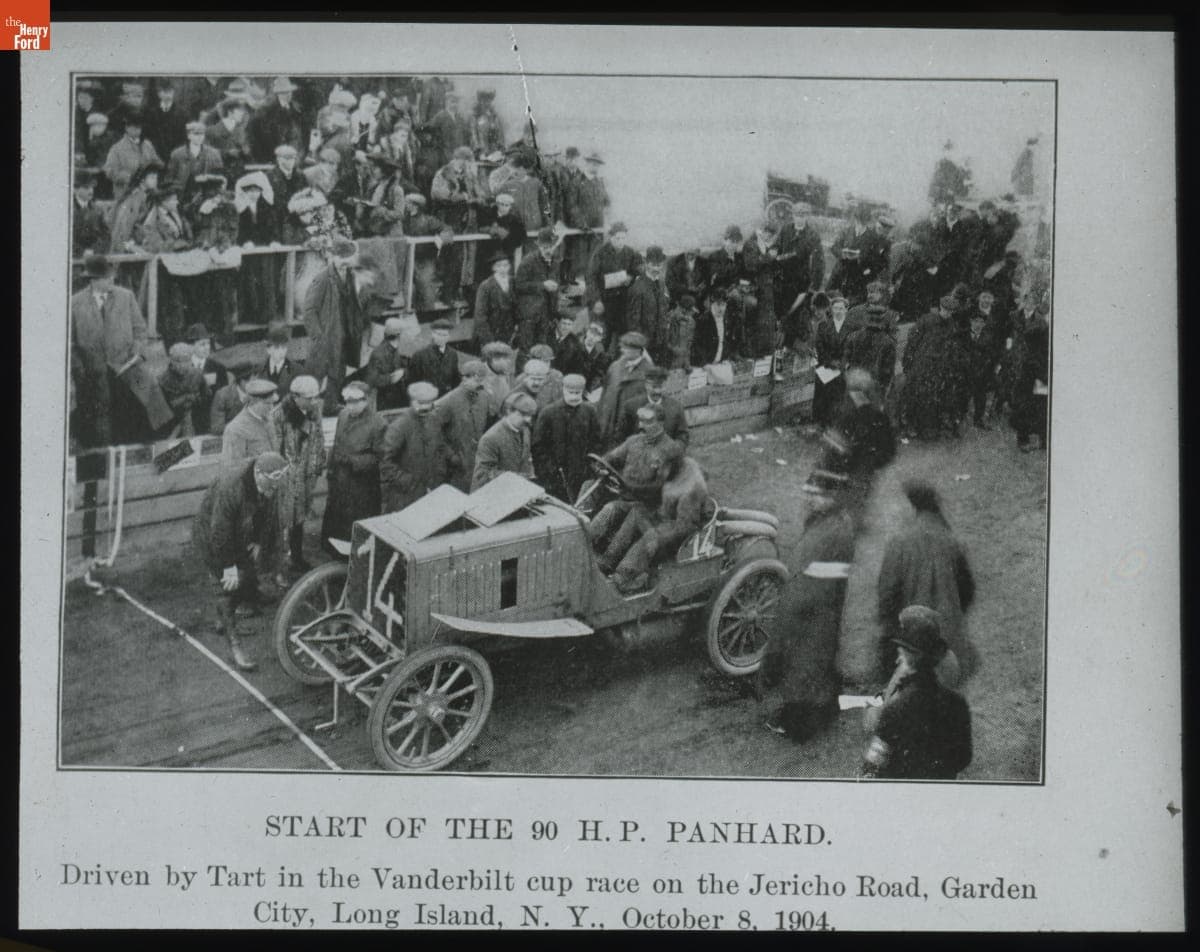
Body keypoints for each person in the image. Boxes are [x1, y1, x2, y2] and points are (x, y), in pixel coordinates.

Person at [759, 469, 858, 742]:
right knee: (814, 667)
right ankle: (821, 711)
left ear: (834, 497)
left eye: (819, 495)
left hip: (812, 612)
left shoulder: (835, 531)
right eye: (809, 492)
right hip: (818, 610)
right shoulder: (833, 521)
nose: (811, 499)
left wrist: (790, 611)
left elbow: (815, 586)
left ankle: (799, 727)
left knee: (805, 670)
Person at [192, 451, 289, 671]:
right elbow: (219, 531)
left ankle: (222, 622)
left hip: (240, 535)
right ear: (257, 474)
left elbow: (265, 509)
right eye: (269, 486)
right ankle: (235, 646)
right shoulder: (231, 487)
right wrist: (228, 567)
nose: (271, 492)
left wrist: (256, 540)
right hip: (212, 537)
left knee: (245, 578)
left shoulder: (269, 482)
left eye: (274, 488)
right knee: (227, 587)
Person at [877, 480, 978, 685]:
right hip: (947, 641)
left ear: (912, 507)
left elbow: (887, 592)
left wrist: (889, 627)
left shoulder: (899, 542)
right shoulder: (952, 541)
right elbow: (967, 590)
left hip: (911, 640)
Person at [70, 254, 172, 447]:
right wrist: (80, 370)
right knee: (99, 427)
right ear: (93, 280)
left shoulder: (126, 297)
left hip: (128, 370)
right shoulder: (75, 304)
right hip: (94, 377)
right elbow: (70, 345)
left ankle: (142, 456)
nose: (112, 280)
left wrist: (137, 353)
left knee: (141, 417)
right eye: (107, 277)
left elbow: (140, 331)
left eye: (112, 276)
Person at [861, 605, 973, 780]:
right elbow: (963, 756)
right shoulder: (957, 702)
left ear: (911, 657)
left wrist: (876, 708)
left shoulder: (896, 710)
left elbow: (873, 763)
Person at [587, 403, 682, 574]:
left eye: (647, 422)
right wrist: (602, 466)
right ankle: (583, 546)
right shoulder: (633, 442)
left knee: (633, 515)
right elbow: (610, 458)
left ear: (660, 423)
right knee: (608, 509)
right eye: (640, 421)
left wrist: (629, 486)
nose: (640, 426)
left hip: (651, 506)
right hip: (626, 498)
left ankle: (607, 562)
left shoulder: (670, 450)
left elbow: (658, 487)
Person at [608, 444, 709, 594]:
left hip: (679, 534)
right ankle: (609, 559)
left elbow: (684, 527)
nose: (657, 470)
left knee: (650, 537)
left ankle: (623, 577)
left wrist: (655, 532)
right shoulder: (679, 468)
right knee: (636, 512)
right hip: (666, 519)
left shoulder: (690, 490)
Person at [302, 238, 372, 414]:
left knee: (338, 372)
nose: (344, 261)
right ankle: (309, 411)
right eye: (341, 257)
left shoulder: (350, 276)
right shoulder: (323, 278)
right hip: (327, 336)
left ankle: (330, 406)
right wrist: (318, 337)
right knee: (316, 374)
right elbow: (309, 310)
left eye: (347, 257)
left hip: (344, 334)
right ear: (332, 256)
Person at [271, 375, 327, 574]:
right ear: (296, 397)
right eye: (310, 398)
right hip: (287, 478)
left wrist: (316, 466)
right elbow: (275, 450)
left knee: (300, 519)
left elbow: (318, 438)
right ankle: (277, 566)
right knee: (282, 521)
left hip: (306, 476)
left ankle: (296, 557)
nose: (314, 401)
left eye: (316, 397)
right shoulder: (278, 415)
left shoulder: (314, 410)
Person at [901, 293, 971, 440]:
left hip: (940, 368)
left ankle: (929, 426)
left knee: (935, 397)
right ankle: (912, 426)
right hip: (922, 365)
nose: (948, 314)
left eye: (951, 311)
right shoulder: (926, 320)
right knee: (917, 395)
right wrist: (908, 363)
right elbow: (913, 341)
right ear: (940, 307)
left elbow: (953, 347)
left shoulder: (952, 326)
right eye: (946, 310)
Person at [379, 382, 456, 511]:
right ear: (412, 402)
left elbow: (440, 445)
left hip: (432, 490)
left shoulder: (434, 420)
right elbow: (385, 462)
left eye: (428, 403)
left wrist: (449, 460)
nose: (425, 407)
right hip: (406, 496)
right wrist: (407, 481)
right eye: (420, 403)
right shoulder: (399, 427)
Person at [531, 373, 602, 503]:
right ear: (563, 389)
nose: (574, 397)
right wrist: (549, 471)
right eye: (571, 392)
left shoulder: (590, 411)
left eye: (577, 393)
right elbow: (538, 447)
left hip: (581, 472)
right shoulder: (548, 413)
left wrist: (590, 466)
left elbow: (596, 441)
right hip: (555, 476)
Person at [436, 360, 499, 492]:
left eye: (482, 381)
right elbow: (433, 432)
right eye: (477, 381)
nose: (481, 385)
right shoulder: (447, 402)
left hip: (478, 461)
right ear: (464, 379)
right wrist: (451, 455)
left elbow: (490, 425)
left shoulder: (484, 397)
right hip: (456, 466)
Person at [471, 391, 538, 491]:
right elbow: (483, 475)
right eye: (523, 414)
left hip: (514, 491)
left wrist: (530, 473)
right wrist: (518, 477)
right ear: (509, 411)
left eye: (530, 415)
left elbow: (526, 458)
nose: (528, 420)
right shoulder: (490, 438)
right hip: (492, 494)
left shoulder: (525, 430)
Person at [586, 222, 642, 340]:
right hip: (604, 298)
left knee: (622, 333)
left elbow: (637, 270)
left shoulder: (630, 252)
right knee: (602, 334)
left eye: (623, 238)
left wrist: (630, 277)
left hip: (622, 300)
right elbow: (591, 278)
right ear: (611, 237)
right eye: (617, 238)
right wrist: (596, 300)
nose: (620, 241)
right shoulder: (600, 253)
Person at [597, 330, 654, 445]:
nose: (622, 350)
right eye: (622, 346)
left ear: (638, 350)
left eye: (626, 348)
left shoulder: (649, 372)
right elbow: (604, 394)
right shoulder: (615, 366)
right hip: (609, 421)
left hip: (630, 425)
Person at [812, 293, 860, 428]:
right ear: (831, 310)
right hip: (826, 367)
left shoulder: (853, 327)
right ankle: (823, 424)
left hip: (843, 367)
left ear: (846, 309)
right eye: (835, 308)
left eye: (841, 308)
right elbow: (820, 347)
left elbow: (853, 348)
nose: (838, 311)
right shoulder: (823, 326)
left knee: (840, 397)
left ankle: (837, 424)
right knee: (824, 397)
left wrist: (843, 363)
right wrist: (829, 362)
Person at [514, 226, 565, 353]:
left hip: (546, 314)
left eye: (550, 247)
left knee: (543, 350)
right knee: (526, 351)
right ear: (539, 246)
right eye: (544, 247)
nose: (548, 250)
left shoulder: (555, 261)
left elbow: (556, 281)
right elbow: (518, 285)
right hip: (529, 315)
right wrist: (542, 285)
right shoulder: (528, 261)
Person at [618, 365, 688, 446]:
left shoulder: (676, 407)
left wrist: (673, 449)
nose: (657, 391)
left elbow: (683, 436)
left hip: (668, 453)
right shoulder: (631, 406)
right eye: (654, 387)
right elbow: (620, 437)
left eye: (661, 387)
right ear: (646, 385)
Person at [1012, 302, 1050, 452]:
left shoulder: (1042, 326)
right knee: (1027, 405)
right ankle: (1024, 439)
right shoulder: (1038, 329)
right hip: (1033, 371)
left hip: (1040, 370)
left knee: (1041, 406)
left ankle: (1043, 440)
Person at [843, 298, 898, 397]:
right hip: (875, 388)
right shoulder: (888, 342)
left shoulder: (853, 337)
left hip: (856, 385)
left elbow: (845, 361)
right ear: (882, 320)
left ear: (867, 319)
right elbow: (887, 372)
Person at [220, 377, 280, 467]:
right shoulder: (235, 429)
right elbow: (232, 467)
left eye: (273, 403)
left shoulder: (268, 419)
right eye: (267, 404)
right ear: (253, 402)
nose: (271, 408)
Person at [247, 76, 307, 163]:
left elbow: (301, 134)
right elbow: (259, 137)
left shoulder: (296, 109)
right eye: (285, 92)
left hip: (294, 156)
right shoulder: (266, 111)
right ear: (279, 94)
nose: (289, 94)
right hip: (273, 158)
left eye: (289, 91)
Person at [107, 160, 163, 253]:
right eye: (152, 178)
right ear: (142, 180)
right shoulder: (134, 198)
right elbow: (124, 226)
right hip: (126, 244)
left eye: (156, 178)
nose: (155, 181)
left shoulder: (148, 196)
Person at [103, 116, 162, 203]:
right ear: (127, 128)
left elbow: (158, 163)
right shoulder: (117, 148)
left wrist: (151, 171)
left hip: (148, 194)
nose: (137, 130)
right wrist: (129, 176)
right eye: (134, 127)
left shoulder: (147, 145)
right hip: (125, 195)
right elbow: (109, 171)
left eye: (139, 127)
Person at [626, 246, 670, 362]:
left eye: (659, 265)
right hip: (646, 346)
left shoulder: (661, 284)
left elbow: (664, 310)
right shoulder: (637, 288)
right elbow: (633, 322)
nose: (657, 268)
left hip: (661, 342)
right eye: (653, 265)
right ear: (646, 263)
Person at [166, 121, 225, 203]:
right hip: (183, 197)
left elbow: (220, 179)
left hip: (207, 198)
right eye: (196, 134)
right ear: (189, 135)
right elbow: (169, 180)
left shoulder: (214, 154)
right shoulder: (177, 155)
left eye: (202, 134)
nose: (200, 137)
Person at [157, 342, 206, 438]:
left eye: (186, 360)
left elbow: (205, 398)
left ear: (191, 360)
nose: (182, 365)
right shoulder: (162, 380)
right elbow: (162, 411)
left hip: (196, 422)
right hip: (172, 426)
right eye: (178, 361)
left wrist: (196, 400)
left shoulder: (198, 375)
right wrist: (184, 399)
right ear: (171, 361)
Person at [407, 317, 462, 396]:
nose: (441, 338)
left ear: (449, 336)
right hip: (427, 398)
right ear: (432, 334)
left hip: (446, 398)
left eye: (444, 335)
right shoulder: (420, 355)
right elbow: (412, 383)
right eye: (438, 334)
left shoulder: (452, 354)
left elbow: (455, 380)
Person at [363, 316, 409, 411]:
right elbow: (371, 381)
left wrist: (403, 372)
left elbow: (404, 367)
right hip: (384, 401)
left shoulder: (395, 349)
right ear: (398, 335)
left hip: (396, 396)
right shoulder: (378, 354)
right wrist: (391, 379)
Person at [473, 250, 517, 348]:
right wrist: (489, 341)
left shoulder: (513, 283)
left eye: (506, 265)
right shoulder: (486, 286)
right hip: (491, 332)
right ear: (494, 268)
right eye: (499, 266)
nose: (503, 269)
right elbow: (480, 316)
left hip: (508, 333)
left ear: (510, 266)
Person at [691, 287, 739, 366]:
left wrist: (725, 357)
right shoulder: (703, 320)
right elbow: (697, 344)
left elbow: (726, 341)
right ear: (712, 303)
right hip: (706, 364)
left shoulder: (727, 320)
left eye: (723, 305)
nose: (721, 309)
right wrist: (704, 362)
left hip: (720, 363)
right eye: (718, 304)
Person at [72, 169, 111, 259]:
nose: (91, 191)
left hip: (94, 258)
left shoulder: (97, 210)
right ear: (75, 189)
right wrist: (81, 252)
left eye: (92, 187)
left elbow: (106, 236)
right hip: (74, 259)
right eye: (86, 187)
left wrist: (94, 250)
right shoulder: (69, 210)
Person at [209, 360, 256, 437]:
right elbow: (217, 428)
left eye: (255, 380)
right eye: (251, 381)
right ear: (241, 381)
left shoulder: (259, 393)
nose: (254, 385)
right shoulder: (222, 395)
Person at [258, 321, 299, 397]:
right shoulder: (260, 369)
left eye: (283, 347)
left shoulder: (296, 370)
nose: (281, 352)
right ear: (268, 349)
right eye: (276, 347)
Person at [663, 294, 698, 371]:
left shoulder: (691, 322)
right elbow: (664, 340)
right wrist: (673, 349)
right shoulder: (670, 318)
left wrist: (687, 363)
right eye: (690, 310)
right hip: (670, 361)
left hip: (682, 362)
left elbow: (688, 344)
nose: (691, 313)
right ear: (684, 309)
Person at [550, 311, 588, 379]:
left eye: (569, 324)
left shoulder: (575, 344)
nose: (566, 327)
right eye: (564, 323)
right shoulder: (545, 335)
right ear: (557, 323)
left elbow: (577, 369)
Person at [707, 225, 744, 296]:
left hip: (738, 290)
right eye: (732, 241)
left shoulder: (739, 257)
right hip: (721, 293)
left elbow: (742, 274)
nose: (734, 245)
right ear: (725, 241)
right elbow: (717, 277)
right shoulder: (715, 256)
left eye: (737, 242)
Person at [580, 320, 610, 392]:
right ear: (587, 332)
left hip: (588, 387)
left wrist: (591, 388)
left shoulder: (600, 352)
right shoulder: (575, 345)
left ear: (600, 338)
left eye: (597, 335)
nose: (592, 336)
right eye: (591, 332)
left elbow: (599, 374)